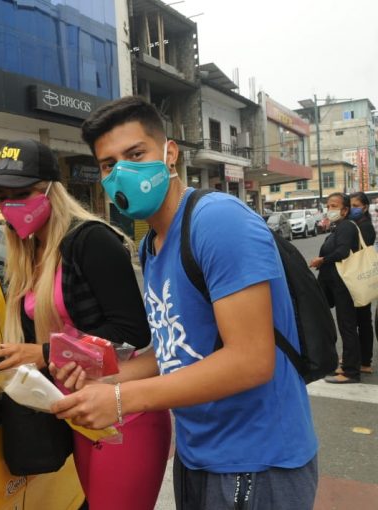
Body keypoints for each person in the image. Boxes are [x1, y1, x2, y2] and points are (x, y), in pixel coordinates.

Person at [51, 96, 318, 510]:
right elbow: (175, 350)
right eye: (108, 165)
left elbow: (251, 359)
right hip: (198, 457)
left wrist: (121, 401)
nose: (122, 172)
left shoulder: (216, 222)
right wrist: (108, 383)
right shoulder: (152, 246)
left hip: (255, 462)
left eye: (135, 154)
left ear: (169, 153)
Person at [0, 139, 171, 510]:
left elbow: (132, 335)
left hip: (124, 410)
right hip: (79, 411)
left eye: (22, 193)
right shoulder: (27, 252)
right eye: (2, 196)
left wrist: (45, 353)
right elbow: (35, 342)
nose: (10, 204)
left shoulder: (91, 241)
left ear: (51, 190)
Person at [308, 193, 363, 383]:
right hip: (333, 285)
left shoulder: (346, 226)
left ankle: (351, 371)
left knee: (347, 325)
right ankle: (343, 363)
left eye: (334, 206)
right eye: (328, 205)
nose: (329, 209)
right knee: (338, 323)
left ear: (345, 210)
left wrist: (321, 260)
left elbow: (342, 251)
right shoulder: (338, 227)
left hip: (343, 285)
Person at [349, 192, 375, 375]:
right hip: (357, 277)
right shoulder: (357, 223)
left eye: (356, 205)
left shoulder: (365, 226)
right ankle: (358, 356)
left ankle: (365, 360)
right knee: (358, 319)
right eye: (350, 205)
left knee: (363, 320)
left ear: (364, 207)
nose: (352, 208)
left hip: (361, 277)